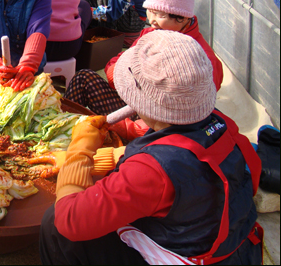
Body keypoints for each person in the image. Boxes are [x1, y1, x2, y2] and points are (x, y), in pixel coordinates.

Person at [40, 30, 263, 265]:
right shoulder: (221, 123)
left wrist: (79, 149)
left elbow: (70, 221)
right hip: (236, 249)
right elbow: (250, 174)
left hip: (189, 257)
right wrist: (110, 156)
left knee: (54, 223)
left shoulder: (153, 171)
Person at [67, 0, 224, 141]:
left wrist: (123, 127)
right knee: (83, 78)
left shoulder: (201, 60)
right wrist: (118, 75)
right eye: (151, 11)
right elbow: (118, 60)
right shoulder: (151, 33)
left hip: (154, 127)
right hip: (131, 102)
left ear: (182, 18)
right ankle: (65, 131)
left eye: (160, 15)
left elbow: (182, 122)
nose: (152, 20)